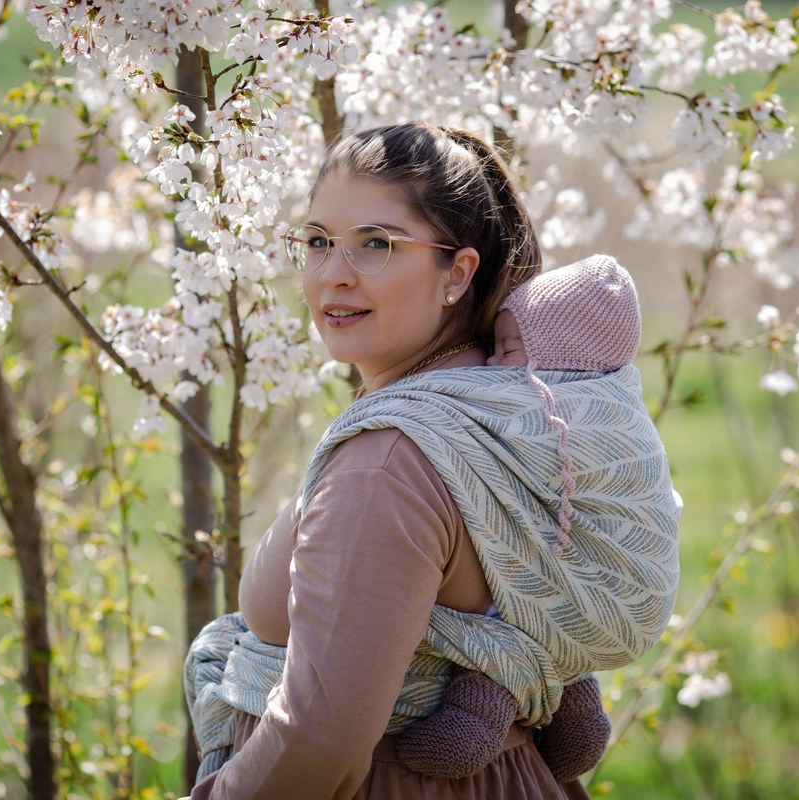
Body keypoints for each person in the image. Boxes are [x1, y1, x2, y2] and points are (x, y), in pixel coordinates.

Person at [184, 122, 681, 800]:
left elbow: (317, 738)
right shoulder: (504, 415)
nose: (333, 274)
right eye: (318, 241)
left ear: (458, 273)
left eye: (376, 245)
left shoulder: (391, 459)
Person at [394, 254, 646, 784]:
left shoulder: (561, 411)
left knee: (510, 634)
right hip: (584, 588)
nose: (489, 365)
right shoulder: (609, 403)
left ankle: (471, 729)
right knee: (555, 636)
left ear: (563, 358)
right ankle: (579, 717)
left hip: (574, 577)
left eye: (508, 350)